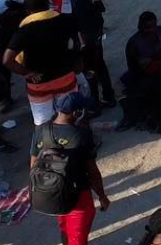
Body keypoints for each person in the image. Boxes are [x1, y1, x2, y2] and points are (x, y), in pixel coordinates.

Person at [31, 93, 109, 245]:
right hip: (78, 197)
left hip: (54, 193)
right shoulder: (81, 135)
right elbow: (92, 172)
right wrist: (102, 196)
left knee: (65, 229)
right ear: (77, 113)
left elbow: (33, 164)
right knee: (77, 239)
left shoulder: (40, 131)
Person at [3, 0, 83, 125]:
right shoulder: (65, 20)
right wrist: (78, 64)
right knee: (71, 115)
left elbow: (7, 60)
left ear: (28, 12)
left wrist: (27, 73)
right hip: (65, 78)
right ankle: (74, 141)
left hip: (39, 84)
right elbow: (76, 45)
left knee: (43, 122)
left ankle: (49, 144)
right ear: (47, 5)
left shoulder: (24, 31)